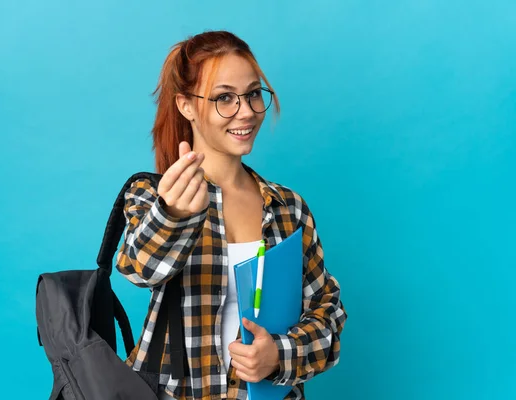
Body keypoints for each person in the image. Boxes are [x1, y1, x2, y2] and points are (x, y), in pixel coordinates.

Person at [115, 30, 347, 400]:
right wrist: (172, 215)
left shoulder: (289, 208)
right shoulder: (154, 195)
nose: (247, 111)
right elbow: (138, 270)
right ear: (186, 105)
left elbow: (328, 315)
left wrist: (279, 355)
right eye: (225, 98)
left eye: (253, 94)